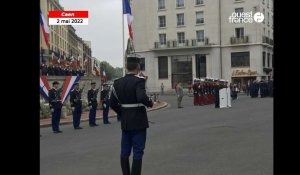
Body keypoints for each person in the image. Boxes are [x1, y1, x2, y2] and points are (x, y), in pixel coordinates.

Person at [109, 56, 153, 175]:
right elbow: (141, 97)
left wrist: (123, 112)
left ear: (127, 67)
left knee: (125, 151)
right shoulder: (139, 81)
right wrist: (150, 103)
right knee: (138, 151)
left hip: (126, 121)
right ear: (138, 67)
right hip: (138, 120)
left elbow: (112, 103)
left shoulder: (117, 82)